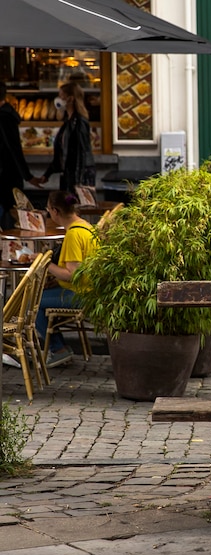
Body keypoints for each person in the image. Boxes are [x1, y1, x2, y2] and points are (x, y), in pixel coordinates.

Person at [37, 191, 97, 368]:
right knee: (43, 294)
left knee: (32, 302)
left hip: (81, 294)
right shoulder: (85, 226)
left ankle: (58, 348)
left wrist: (43, 263)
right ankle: (58, 346)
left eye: (48, 209)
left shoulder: (73, 235)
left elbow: (72, 274)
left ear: (55, 211)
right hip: (90, 289)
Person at [39, 83, 95, 194]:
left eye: (61, 96)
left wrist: (78, 182)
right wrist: (47, 174)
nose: (58, 99)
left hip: (78, 177)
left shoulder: (79, 122)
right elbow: (62, 153)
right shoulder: (67, 123)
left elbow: (81, 153)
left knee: (75, 207)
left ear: (70, 98)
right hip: (68, 175)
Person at [0, 82, 42, 229]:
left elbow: (14, 149)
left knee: (12, 215)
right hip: (9, 176)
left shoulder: (4, 118)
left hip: (6, 176)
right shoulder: (7, 115)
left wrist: (27, 176)